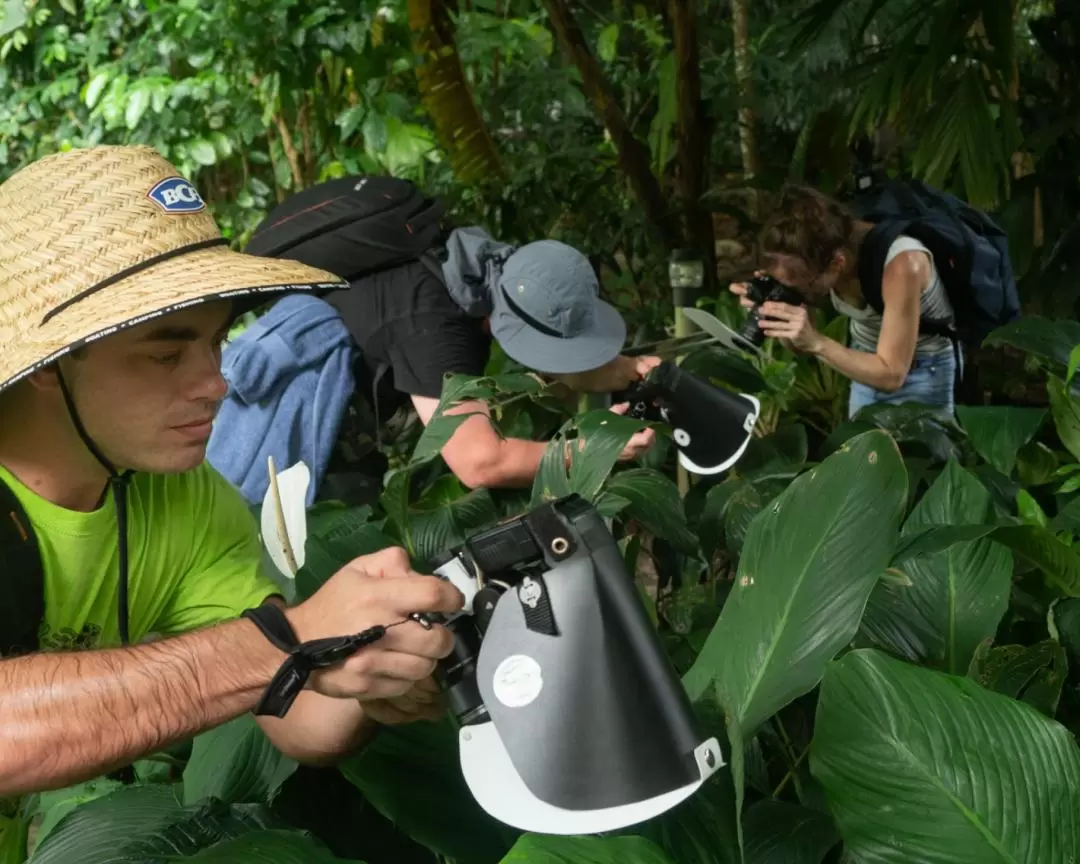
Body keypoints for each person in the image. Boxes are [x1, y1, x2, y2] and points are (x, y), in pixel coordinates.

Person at [0, 144, 464, 797]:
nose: (217, 384)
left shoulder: (186, 498)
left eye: (216, 342)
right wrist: (285, 641)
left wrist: (366, 661)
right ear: (51, 364)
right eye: (166, 356)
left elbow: (299, 716)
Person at [231, 177, 658, 498]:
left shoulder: (482, 269)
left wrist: (625, 370)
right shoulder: (435, 326)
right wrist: (595, 450)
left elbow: (552, 345)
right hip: (293, 448)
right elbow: (480, 462)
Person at [730, 184, 960, 419]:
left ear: (837, 263)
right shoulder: (815, 258)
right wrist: (775, 310)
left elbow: (892, 375)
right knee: (861, 455)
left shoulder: (903, 265)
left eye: (800, 284)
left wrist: (817, 343)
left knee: (919, 456)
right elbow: (799, 348)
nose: (795, 289)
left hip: (921, 371)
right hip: (862, 362)